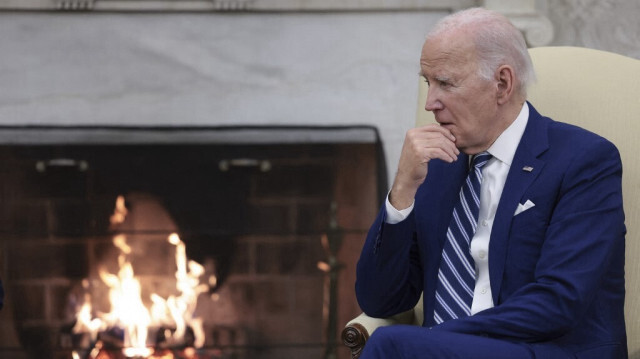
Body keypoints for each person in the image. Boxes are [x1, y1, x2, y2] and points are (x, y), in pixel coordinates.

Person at [355, 7, 627, 359]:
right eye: (428, 82)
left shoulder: (584, 160)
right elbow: (381, 299)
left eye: (446, 83)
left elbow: (558, 300)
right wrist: (402, 191)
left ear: (502, 83)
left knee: (391, 345)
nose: (430, 103)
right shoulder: (435, 166)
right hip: (439, 350)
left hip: (544, 350)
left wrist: (436, 338)